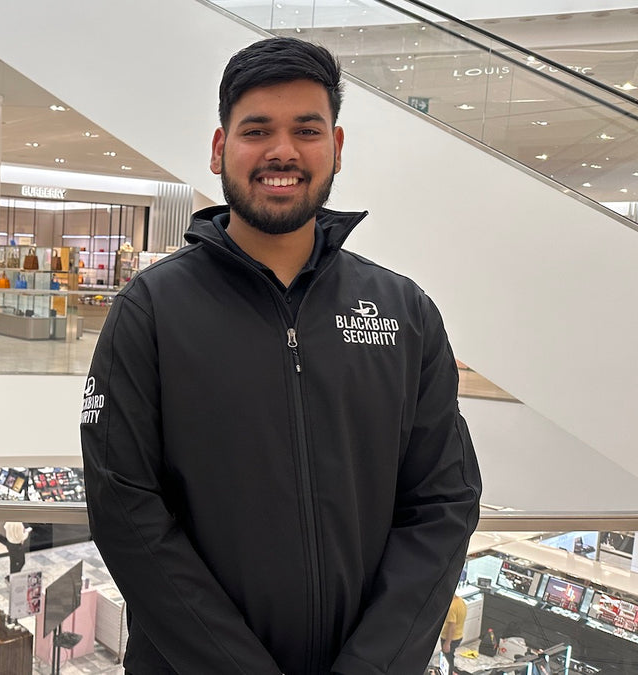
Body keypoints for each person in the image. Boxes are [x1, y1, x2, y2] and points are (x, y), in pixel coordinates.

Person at [80, 37, 481, 674]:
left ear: (337, 149)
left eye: (306, 129)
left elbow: (443, 502)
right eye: (257, 129)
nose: (282, 151)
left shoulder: (404, 313)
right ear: (220, 150)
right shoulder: (151, 312)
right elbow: (125, 508)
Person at [442, 593, 467, 673]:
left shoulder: (451, 607)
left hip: (450, 638)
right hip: (458, 636)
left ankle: (448, 672)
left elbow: (452, 626)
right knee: (450, 656)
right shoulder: (460, 601)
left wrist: (447, 643)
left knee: (447, 659)